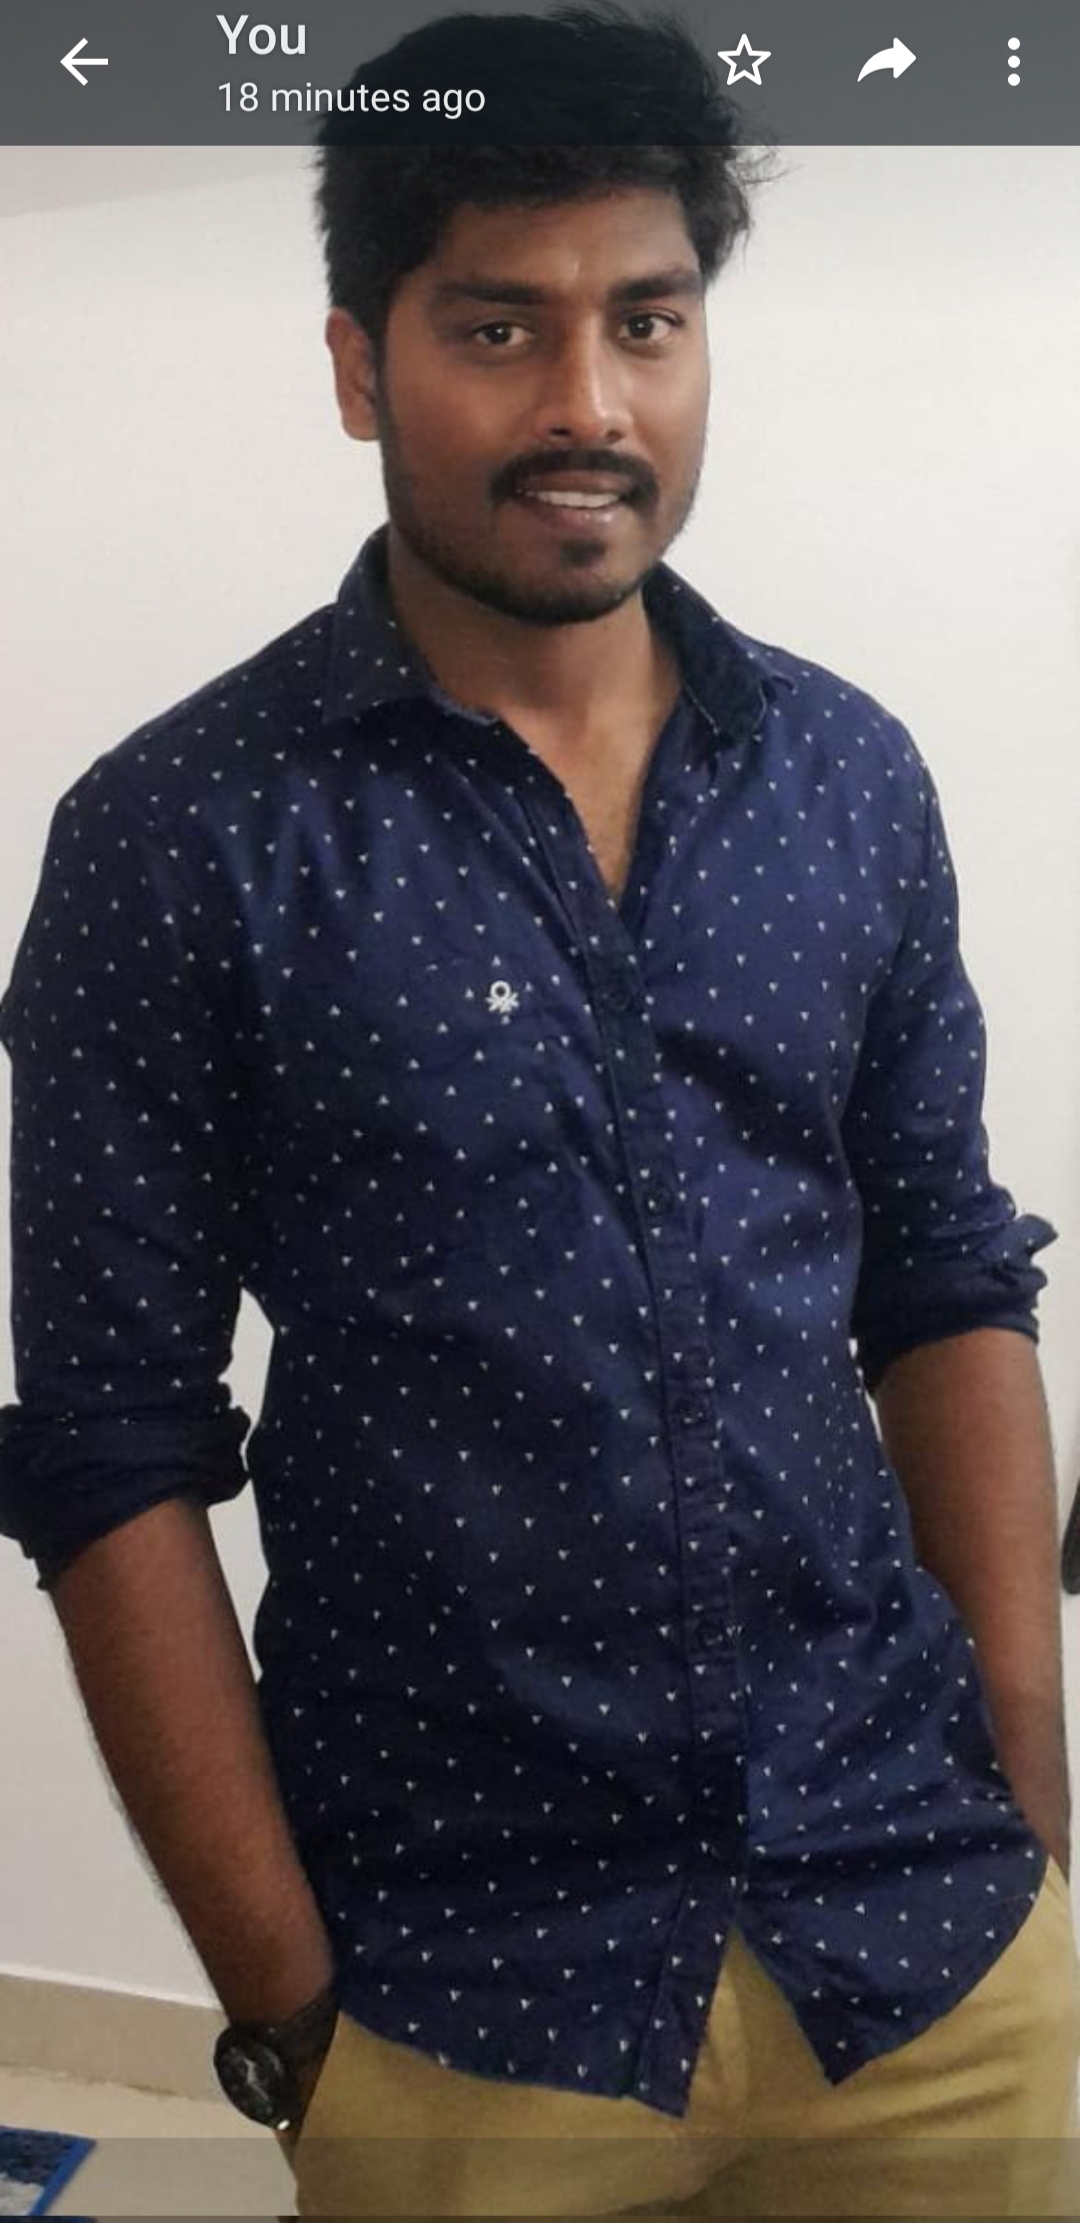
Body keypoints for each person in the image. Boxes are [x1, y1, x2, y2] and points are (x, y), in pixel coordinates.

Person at [1, 4, 1077, 2215]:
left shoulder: (845, 779)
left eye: (646, 321)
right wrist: (291, 2013)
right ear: (359, 365)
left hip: (929, 1940)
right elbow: (109, 1447)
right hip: (464, 1997)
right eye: (500, 326)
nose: (589, 402)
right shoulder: (180, 838)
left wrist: (1031, 1794)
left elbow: (946, 1278)